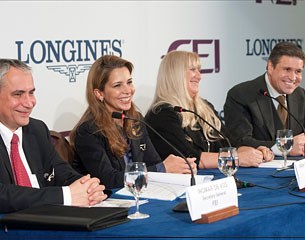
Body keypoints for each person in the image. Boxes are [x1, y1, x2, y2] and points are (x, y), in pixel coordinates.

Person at [69, 55, 197, 189]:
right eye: (117, 85)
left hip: (141, 194)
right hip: (110, 203)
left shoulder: (136, 120)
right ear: (99, 94)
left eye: (129, 82)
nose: (128, 90)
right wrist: (163, 168)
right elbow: (108, 180)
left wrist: (179, 169)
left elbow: (153, 162)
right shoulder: (88, 131)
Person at [0, 59, 107, 213]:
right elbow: (4, 195)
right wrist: (65, 196)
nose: (29, 103)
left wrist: (88, 188)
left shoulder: (36, 129)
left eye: (31, 92)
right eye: (18, 94)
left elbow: (61, 172)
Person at [145, 50, 274, 170]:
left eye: (199, 70)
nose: (199, 76)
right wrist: (236, 158)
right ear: (175, 74)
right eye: (193, 69)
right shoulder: (161, 115)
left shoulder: (204, 107)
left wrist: (255, 151)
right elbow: (190, 158)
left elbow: (230, 144)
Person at [224, 42, 305, 156]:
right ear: (271, 67)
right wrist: (285, 147)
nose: (292, 77)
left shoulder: (302, 96)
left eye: (298, 71)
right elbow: (240, 141)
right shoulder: (240, 95)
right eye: (287, 69)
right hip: (258, 170)